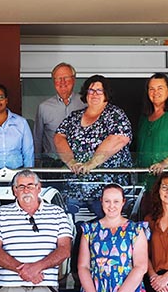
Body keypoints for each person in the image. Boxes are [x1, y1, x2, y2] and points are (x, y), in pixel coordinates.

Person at [54, 74, 132, 212]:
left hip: (106, 191)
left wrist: (91, 164)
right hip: (75, 188)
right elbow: (59, 137)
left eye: (99, 91)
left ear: (106, 94)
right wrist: (71, 162)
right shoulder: (74, 116)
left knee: (105, 230)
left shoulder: (115, 114)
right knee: (74, 228)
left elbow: (119, 138)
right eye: (91, 90)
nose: (94, 94)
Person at [33, 62, 84, 159]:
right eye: (58, 78)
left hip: (80, 163)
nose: (62, 82)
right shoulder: (44, 107)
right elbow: (37, 139)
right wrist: (36, 163)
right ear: (53, 81)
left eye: (66, 78)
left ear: (74, 79)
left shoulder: (85, 103)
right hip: (52, 163)